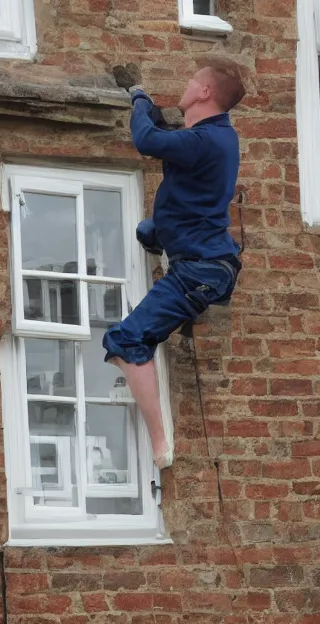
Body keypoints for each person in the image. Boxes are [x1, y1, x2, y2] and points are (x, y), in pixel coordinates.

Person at [103, 61, 245, 468]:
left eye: (189, 80)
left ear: (204, 93)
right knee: (149, 229)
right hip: (207, 260)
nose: (183, 87)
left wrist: (139, 97)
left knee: (126, 341)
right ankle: (162, 259)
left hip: (200, 270)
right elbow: (172, 142)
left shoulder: (204, 141)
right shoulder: (215, 138)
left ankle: (161, 445)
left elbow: (147, 140)